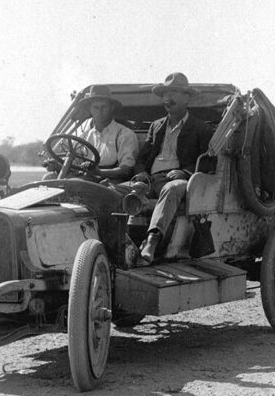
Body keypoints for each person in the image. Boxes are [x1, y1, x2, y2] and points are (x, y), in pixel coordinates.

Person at [132, 73, 215, 264]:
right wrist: (141, 173)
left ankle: (151, 242)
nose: (168, 99)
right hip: (151, 180)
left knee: (171, 189)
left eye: (174, 93)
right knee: (119, 191)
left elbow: (209, 163)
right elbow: (141, 158)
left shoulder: (201, 129)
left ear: (187, 98)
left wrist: (185, 172)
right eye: (165, 94)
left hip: (180, 182)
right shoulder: (156, 126)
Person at [74, 85, 139, 182]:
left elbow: (126, 169)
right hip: (87, 180)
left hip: (114, 182)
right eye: (95, 107)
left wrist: (100, 172)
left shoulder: (125, 134)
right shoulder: (84, 137)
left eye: (104, 107)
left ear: (111, 108)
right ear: (90, 110)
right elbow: (73, 162)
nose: (99, 111)